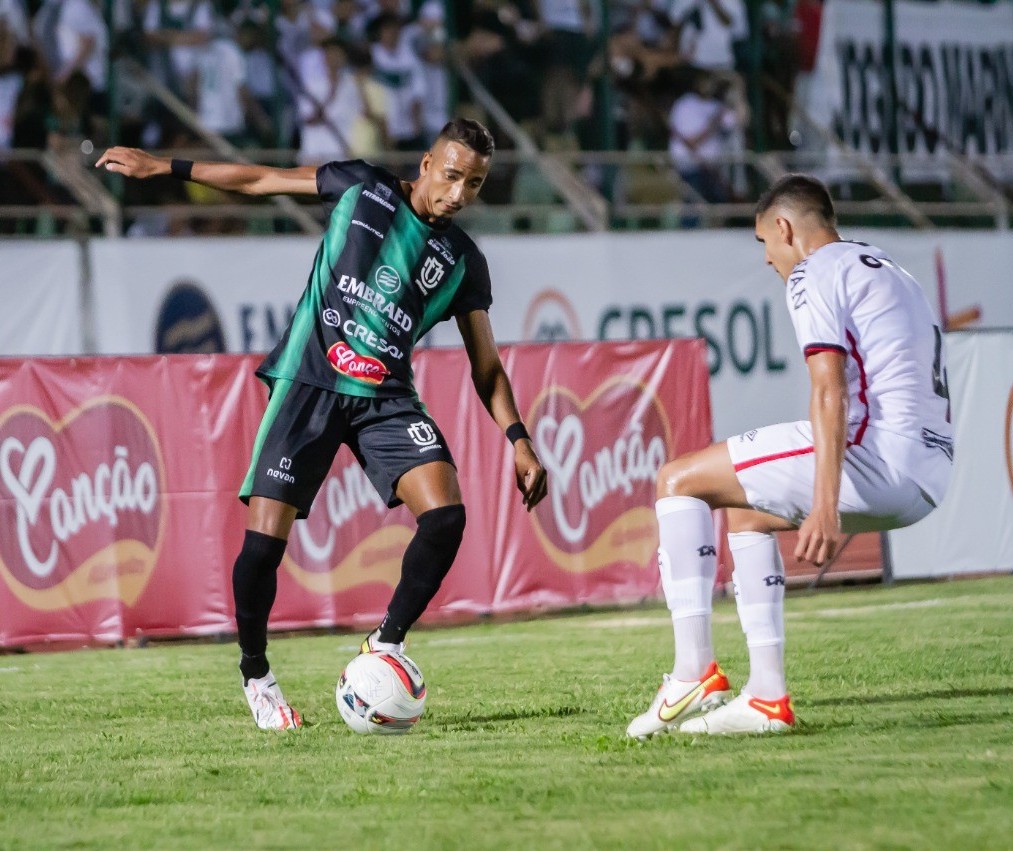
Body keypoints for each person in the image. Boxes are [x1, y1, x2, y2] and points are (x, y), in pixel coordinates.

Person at [96, 118, 549, 731]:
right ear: (425, 164)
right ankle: (256, 675)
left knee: (446, 517)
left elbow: (486, 366)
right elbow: (258, 180)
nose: (459, 194)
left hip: (384, 397)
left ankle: (385, 644)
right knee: (261, 548)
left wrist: (518, 439)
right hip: (310, 381)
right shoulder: (361, 188)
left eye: (474, 184)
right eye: (451, 175)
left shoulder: (463, 261)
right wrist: (164, 168)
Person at [627, 174, 953, 738]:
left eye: (764, 244)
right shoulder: (887, 266)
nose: (768, 259)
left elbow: (830, 388)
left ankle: (692, 671)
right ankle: (767, 698)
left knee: (677, 480)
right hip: (930, 472)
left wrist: (824, 505)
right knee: (748, 511)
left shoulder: (813, 271)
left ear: (784, 228)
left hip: (880, 454)